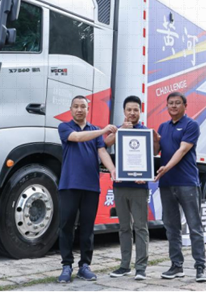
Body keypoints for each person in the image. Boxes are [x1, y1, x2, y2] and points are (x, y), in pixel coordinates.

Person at [57, 96, 117, 283]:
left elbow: (102, 151)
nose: (79, 109)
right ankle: (66, 265)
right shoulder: (65, 127)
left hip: (91, 186)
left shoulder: (95, 131)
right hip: (69, 185)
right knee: (66, 226)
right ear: (71, 109)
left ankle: (85, 266)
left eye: (83, 106)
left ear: (87, 109)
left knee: (87, 228)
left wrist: (112, 169)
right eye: (76, 106)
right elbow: (76, 138)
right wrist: (103, 131)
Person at [153, 91, 206, 283]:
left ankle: (200, 267)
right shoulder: (163, 127)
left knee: (194, 226)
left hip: (187, 182)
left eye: (177, 103)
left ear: (185, 105)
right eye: (170, 103)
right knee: (171, 227)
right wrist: (154, 140)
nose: (174, 106)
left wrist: (166, 168)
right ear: (167, 106)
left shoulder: (191, 125)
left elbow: (183, 150)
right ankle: (176, 266)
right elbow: (155, 151)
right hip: (167, 183)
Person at [104, 95, 151, 281]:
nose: (132, 113)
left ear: (140, 111)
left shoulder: (145, 132)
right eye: (129, 110)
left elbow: (151, 155)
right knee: (124, 227)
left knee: (140, 227)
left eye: (135, 110)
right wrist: (121, 130)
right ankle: (124, 266)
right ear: (124, 111)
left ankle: (141, 268)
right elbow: (106, 143)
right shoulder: (119, 130)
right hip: (120, 185)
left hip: (139, 187)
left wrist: (144, 175)